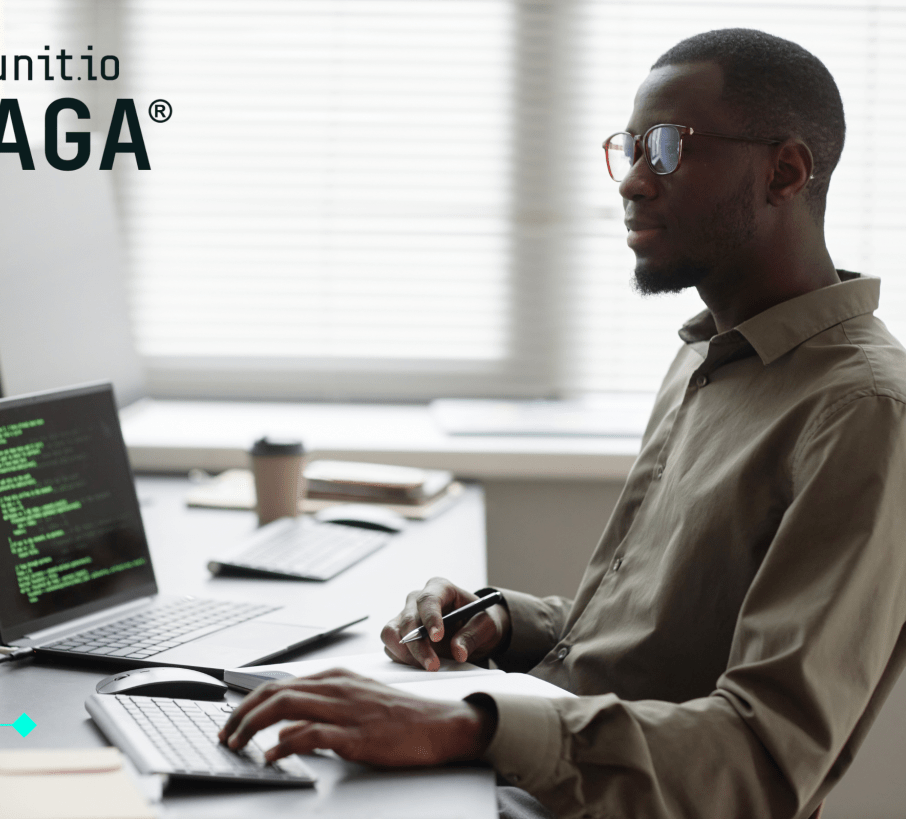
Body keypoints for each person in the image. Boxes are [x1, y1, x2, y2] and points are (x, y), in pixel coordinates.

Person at [220, 28, 906, 819]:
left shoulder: (865, 412)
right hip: (544, 775)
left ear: (784, 171)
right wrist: (505, 620)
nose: (633, 182)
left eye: (669, 148)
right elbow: (657, 645)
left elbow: (765, 758)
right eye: (631, 149)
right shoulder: (711, 356)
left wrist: (468, 724)